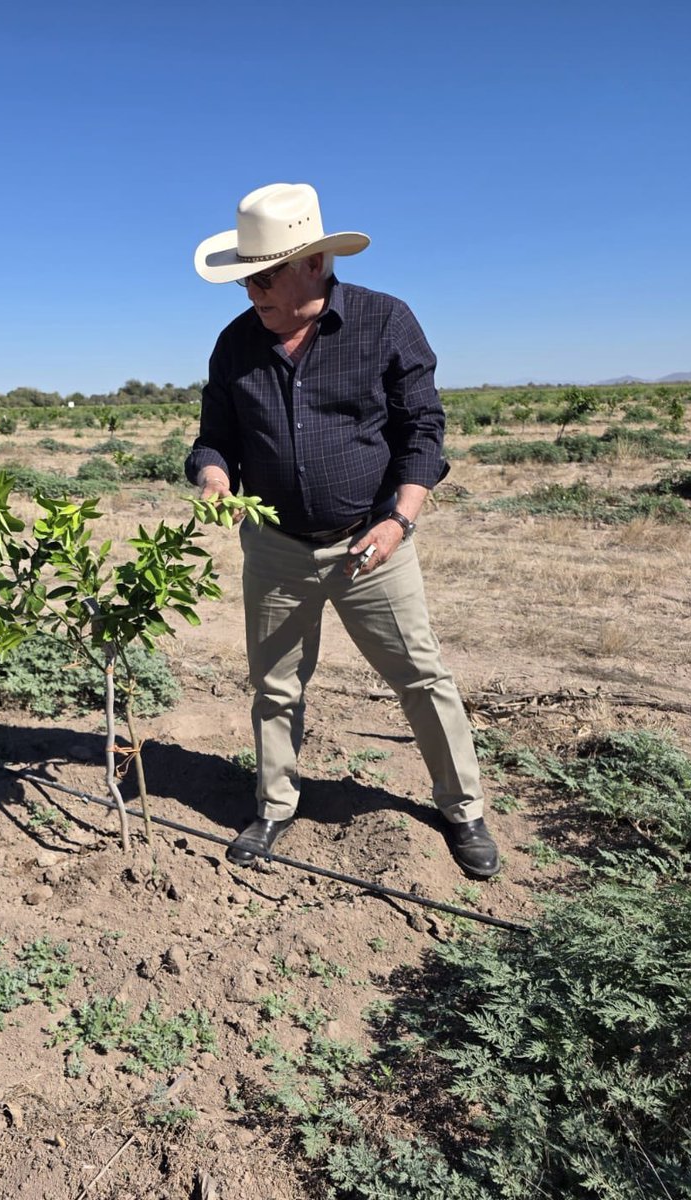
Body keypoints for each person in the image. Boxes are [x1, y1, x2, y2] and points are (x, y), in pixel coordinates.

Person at [185, 182, 499, 878]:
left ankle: (462, 809)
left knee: (420, 677)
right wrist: (212, 477)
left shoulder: (384, 322)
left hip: (371, 542)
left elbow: (423, 431)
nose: (251, 294)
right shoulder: (234, 346)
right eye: (245, 280)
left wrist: (398, 520)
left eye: (263, 278)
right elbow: (212, 441)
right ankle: (272, 807)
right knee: (273, 688)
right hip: (273, 547)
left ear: (315, 266)